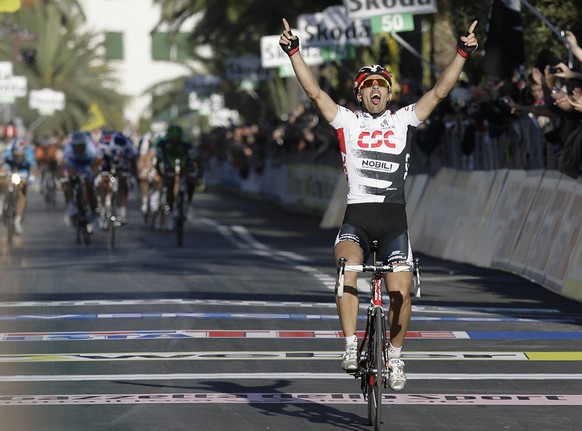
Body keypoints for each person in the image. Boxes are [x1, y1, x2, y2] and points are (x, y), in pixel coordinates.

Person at [279, 17, 479, 391]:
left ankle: (398, 357)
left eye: (381, 86)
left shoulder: (404, 119)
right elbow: (315, 93)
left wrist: (462, 54)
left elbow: (438, 92)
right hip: (357, 218)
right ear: (360, 95)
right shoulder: (348, 121)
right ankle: (352, 345)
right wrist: (294, 53)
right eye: (368, 86)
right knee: (346, 270)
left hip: (393, 223)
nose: (375, 90)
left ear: (389, 94)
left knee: (402, 290)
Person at [155, 124, 201, 230]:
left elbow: (197, 159)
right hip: (169, 166)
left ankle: (188, 203)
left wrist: (198, 175)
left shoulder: (186, 145)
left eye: (176, 138)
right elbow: (158, 161)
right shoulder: (163, 144)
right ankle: (170, 213)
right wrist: (161, 174)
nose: (174, 141)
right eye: (172, 138)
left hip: (184, 166)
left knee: (190, 181)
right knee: (170, 187)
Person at [95, 131, 137, 226]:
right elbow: (97, 162)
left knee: (123, 183)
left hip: (122, 166)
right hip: (106, 162)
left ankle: (122, 213)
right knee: (102, 183)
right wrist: (96, 175)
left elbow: (132, 162)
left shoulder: (127, 146)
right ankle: (102, 210)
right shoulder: (105, 144)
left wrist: (133, 176)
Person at [61, 131, 98, 225]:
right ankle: (71, 206)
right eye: (77, 146)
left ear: (85, 144)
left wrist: (95, 175)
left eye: (82, 145)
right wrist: (66, 176)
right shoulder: (68, 150)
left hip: (86, 164)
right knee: (68, 182)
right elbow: (65, 165)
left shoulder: (91, 149)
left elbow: (94, 165)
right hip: (74, 165)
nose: (79, 148)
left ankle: (93, 209)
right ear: (73, 145)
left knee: (90, 185)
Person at [0, 137, 36, 235]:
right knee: (2, 177)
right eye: (16, 155)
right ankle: (2, 198)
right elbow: (2, 163)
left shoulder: (29, 155)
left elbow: (33, 168)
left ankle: (17, 222)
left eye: (21, 156)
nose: (18, 157)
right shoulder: (7, 153)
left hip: (23, 171)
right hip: (10, 168)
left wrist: (32, 177)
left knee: (21, 195)